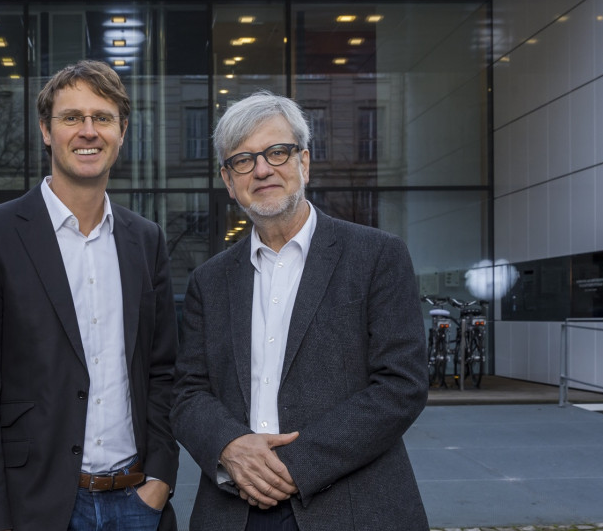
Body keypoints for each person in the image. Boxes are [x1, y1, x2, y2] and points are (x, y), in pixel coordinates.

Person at [172, 91, 429, 530]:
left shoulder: (376, 256)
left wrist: (296, 464)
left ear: (303, 163)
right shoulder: (209, 281)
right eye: (243, 160)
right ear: (229, 181)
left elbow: (401, 385)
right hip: (234, 508)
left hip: (350, 506)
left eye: (277, 152)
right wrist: (230, 445)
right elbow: (187, 393)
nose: (262, 169)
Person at [0, 60, 179, 531]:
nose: (88, 131)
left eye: (102, 118)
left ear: (121, 131)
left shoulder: (145, 239)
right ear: (46, 131)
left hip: (137, 503)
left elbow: (163, 371)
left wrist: (161, 481)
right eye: (72, 118)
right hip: (34, 508)